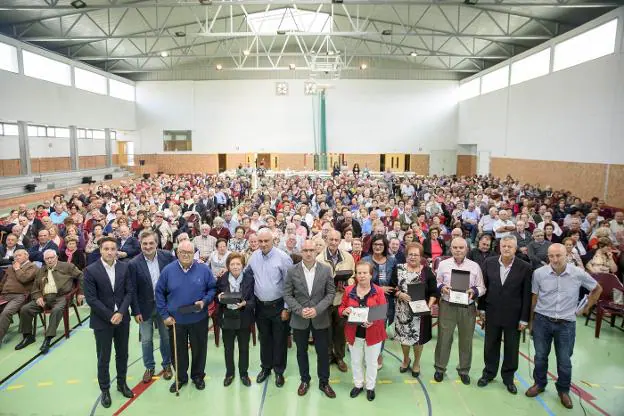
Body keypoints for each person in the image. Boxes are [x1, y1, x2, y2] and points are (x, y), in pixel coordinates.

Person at [526, 243, 602, 409]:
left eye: (558, 255)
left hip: (566, 324)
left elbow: (597, 289)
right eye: (551, 256)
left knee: (564, 360)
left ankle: (563, 390)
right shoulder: (539, 273)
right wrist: (531, 322)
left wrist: (586, 308)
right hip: (542, 321)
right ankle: (539, 384)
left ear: (567, 255)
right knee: (540, 356)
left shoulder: (577, 273)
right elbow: (534, 298)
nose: (554, 259)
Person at [156, 240, 216, 393]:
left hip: (198, 319)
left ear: (194, 254)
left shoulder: (203, 270)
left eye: (189, 253)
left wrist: (205, 301)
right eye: (183, 252)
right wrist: (164, 315)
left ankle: (197, 376)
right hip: (176, 321)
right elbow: (159, 294)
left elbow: (212, 289)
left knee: (199, 349)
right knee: (178, 351)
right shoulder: (168, 271)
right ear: (177, 253)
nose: (186, 255)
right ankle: (181, 377)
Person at [83, 237, 135, 409]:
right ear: (100, 250)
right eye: (106, 248)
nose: (110, 252)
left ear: (117, 250)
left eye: (113, 248)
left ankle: (122, 383)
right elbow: (91, 298)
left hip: (122, 319)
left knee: (122, 354)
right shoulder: (91, 270)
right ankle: (105, 389)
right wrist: (110, 315)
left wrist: (120, 312)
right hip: (102, 321)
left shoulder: (124, 267)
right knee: (103, 357)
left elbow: (129, 292)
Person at [477, 236, 532, 394]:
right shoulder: (489, 263)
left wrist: (524, 318)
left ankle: (508, 378)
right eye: (504, 246)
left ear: (515, 249)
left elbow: (527, 295)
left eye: (510, 246)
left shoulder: (525, 267)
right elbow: (483, 287)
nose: (506, 248)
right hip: (492, 312)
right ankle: (488, 373)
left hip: (513, 316)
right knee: (490, 345)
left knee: (511, 347)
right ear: (499, 247)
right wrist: (481, 309)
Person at [284, 239, 337, 398]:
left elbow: (330, 294)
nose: (308, 253)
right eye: (305, 250)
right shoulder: (292, 271)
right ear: (301, 252)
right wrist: (300, 310)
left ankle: (324, 382)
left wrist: (317, 309)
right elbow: (287, 294)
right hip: (300, 319)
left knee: (322, 352)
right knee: (301, 351)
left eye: (311, 250)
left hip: (320, 318)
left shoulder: (326, 270)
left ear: (316, 252)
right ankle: (304, 380)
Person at [244, 228, 293, 387]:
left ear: (273, 241)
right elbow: (246, 274)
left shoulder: (283, 258)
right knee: (264, 339)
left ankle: (279, 371)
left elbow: (289, 285)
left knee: (279, 340)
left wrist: (287, 308)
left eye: (266, 241)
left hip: (279, 306)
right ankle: (265, 368)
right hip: (260, 307)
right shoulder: (254, 257)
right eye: (261, 241)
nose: (263, 244)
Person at [434, 237, 485, 384]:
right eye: (455, 247)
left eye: (461, 248)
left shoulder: (475, 266)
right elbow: (437, 282)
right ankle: (440, 368)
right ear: (451, 249)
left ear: (467, 249)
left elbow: (482, 287)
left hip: (467, 307)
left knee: (466, 340)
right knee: (444, 338)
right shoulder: (443, 265)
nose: (458, 250)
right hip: (447, 305)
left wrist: (474, 291)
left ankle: (464, 370)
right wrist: (441, 287)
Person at [129, 230, 176, 384]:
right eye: (145, 244)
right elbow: (132, 290)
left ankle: (167, 365)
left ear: (156, 243)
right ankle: (149, 367)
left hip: (164, 307)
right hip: (144, 308)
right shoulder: (134, 264)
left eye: (151, 243)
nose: (148, 246)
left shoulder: (167, 257)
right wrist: (135, 311)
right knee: (147, 340)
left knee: (165, 338)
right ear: (140, 244)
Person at [16, 250, 84, 354]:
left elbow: (82, 276)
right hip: (45, 298)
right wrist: (38, 297)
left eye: (52, 257)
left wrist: (80, 292)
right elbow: (35, 288)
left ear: (56, 257)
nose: (50, 260)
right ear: (44, 260)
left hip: (62, 297)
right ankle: (28, 336)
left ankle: (48, 338)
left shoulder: (67, 266)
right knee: (25, 309)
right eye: (47, 258)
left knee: (56, 310)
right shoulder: (41, 270)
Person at [339, 261, 387, 402]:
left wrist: (372, 321)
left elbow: (382, 312)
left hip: (373, 333)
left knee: (371, 362)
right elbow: (341, 308)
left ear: (371, 275)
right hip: (354, 333)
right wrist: (344, 311)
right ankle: (358, 384)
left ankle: (370, 387)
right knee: (355, 361)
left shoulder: (378, 291)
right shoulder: (349, 290)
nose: (362, 276)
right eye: (359, 273)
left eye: (365, 273)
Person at [391, 243, 438, 377]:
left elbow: (434, 292)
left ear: (421, 257)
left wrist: (429, 306)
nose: (413, 257)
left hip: (420, 313)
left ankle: (416, 362)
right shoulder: (398, 268)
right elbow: (392, 287)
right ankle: (406, 359)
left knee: (419, 340)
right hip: (403, 312)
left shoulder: (427, 271)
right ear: (406, 256)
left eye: (416, 255)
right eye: (410, 254)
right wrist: (400, 294)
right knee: (404, 339)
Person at [316, 230, 355, 373]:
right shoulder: (319, 259)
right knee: (326, 331)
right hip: (325, 302)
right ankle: (328, 356)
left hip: (341, 301)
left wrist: (346, 285)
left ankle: (339, 357)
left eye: (336, 240)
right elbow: (316, 281)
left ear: (340, 241)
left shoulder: (348, 257)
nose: (333, 242)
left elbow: (353, 276)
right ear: (326, 240)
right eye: (330, 239)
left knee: (340, 332)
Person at [217, 252, 255, 387]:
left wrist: (246, 304)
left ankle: (244, 373)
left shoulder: (250, 278)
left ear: (243, 265)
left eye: (238, 264)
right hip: (227, 317)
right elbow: (216, 294)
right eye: (232, 264)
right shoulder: (222, 278)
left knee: (244, 348)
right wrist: (219, 297)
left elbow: (253, 299)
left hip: (244, 317)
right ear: (228, 266)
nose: (235, 266)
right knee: (228, 348)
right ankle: (230, 373)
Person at [0, 249, 37, 345]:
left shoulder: (32, 266)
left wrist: (17, 269)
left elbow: (24, 279)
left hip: (20, 295)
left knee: (6, 312)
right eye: (15, 256)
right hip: (5, 295)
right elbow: (3, 282)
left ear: (26, 256)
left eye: (19, 255)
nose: (16, 257)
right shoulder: (10, 267)